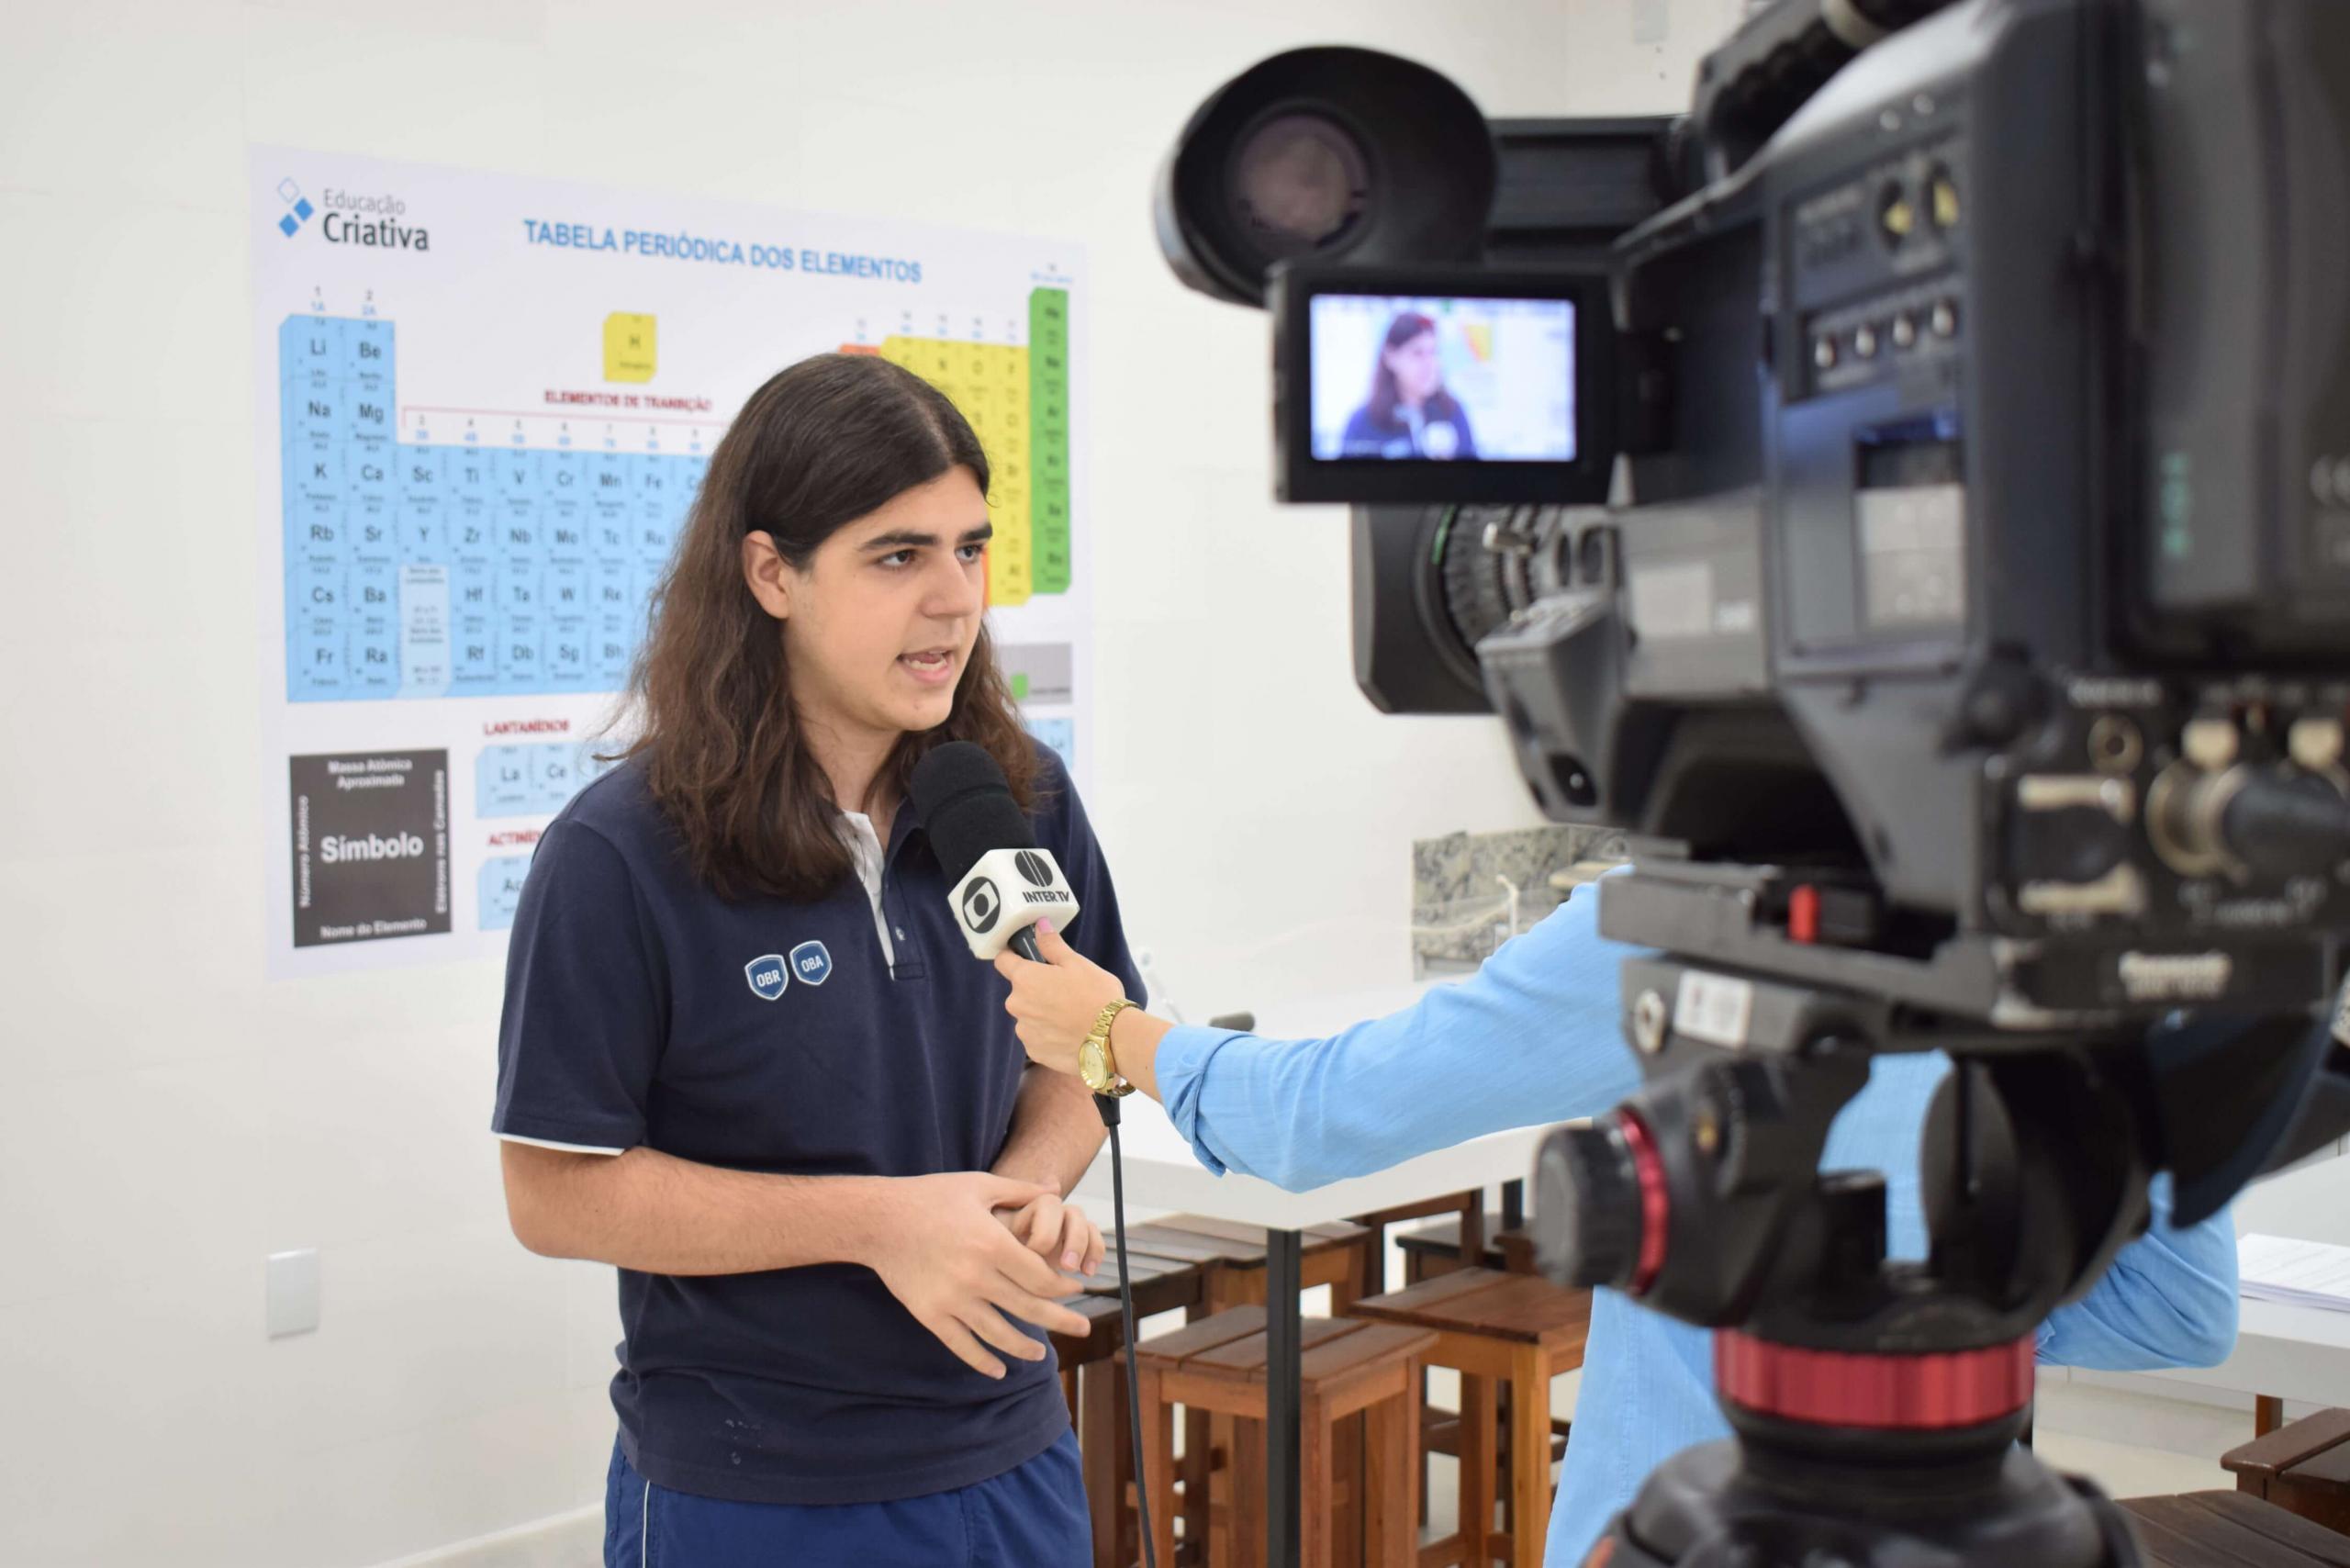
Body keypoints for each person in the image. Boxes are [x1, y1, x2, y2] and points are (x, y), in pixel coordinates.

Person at [993, 881, 2241, 1566]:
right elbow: (2181, 1312)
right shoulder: (2099, 919)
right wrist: (1927, 1316)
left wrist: (1112, 1035)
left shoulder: (1690, 917)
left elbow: (1319, 1116)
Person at [491, 353, 1144, 1567]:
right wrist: (880, 1224)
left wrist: (1023, 1193)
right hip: (758, 1489)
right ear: (771, 573)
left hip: (1014, 1456)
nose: (953, 600)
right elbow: (553, 1192)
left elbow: (1087, 1050)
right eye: (898, 556)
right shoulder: (620, 851)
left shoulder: (1019, 797)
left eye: (970, 549)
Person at [1338, 310, 1480, 459]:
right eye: (1417, 353)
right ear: (1390, 357)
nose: (1430, 364)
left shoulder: (1453, 413)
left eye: (1433, 352)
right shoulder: (1363, 422)